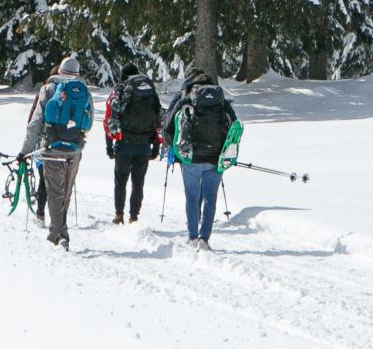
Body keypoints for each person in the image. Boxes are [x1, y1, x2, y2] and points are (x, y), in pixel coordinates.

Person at [21, 56, 94, 248]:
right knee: (66, 192)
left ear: (60, 71)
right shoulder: (84, 92)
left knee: (54, 192)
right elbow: (89, 122)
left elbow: (35, 123)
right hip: (74, 149)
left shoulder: (48, 89)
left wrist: (25, 150)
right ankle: (61, 229)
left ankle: (58, 233)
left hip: (51, 147)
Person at [166, 72, 239, 250]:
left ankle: (192, 237)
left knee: (191, 197)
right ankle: (204, 239)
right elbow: (235, 126)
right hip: (215, 158)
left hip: (190, 157)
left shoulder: (187, 99)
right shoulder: (221, 101)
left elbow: (168, 128)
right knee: (210, 199)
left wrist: (176, 150)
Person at [105, 70, 164, 223]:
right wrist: (155, 147)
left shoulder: (121, 92)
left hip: (124, 144)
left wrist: (109, 146)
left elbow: (110, 118)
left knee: (120, 181)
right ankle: (134, 217)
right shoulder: (150, 94)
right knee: (138, 183)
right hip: (144, 145)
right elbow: (158, 120)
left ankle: (119, 215)